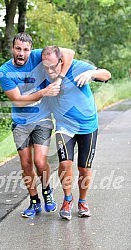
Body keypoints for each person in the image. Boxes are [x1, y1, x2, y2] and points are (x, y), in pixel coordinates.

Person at [0, 33, 75, 218]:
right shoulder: (4, 71)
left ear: (31, 50)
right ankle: (34, 201)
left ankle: (47, 191)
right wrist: (44, 91)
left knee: (40, 162)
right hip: (20, 122)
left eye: (25, 49)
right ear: (12, 48)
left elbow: (69, 52)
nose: (21, 53)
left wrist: (59, 80)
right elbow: (18, 100)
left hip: (42, 119)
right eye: (18, 49)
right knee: (26, 164)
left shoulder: (38, 56)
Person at [41, 46, 111, 220]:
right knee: (65, 164)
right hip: (64, 126)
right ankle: (67, 199)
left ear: (62, 61)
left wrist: (92, 74)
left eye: (53, 67)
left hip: (88, 125)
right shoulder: (42, 75)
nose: (49, 71)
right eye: (46, 67)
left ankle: (83, 201)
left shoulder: (77, 66)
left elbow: (107, 74)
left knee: (84, 168)